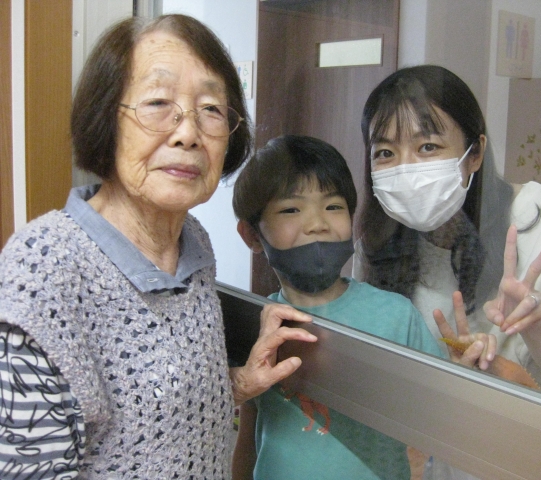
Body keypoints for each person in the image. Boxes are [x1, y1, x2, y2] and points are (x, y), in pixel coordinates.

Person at [0, 15, 317, 478]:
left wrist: (241, 383)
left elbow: (156, 419)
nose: (188, 133)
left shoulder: (193, 241)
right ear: (105, 121)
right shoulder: (43, 268)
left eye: (211, 109)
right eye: (157, 102)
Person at [355, 65, 541, 408]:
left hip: (532, 431)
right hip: (431, 428)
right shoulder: (377, 242)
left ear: (475, 154)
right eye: (385, 153)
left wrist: (532, 324)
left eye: (428, 146)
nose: (406, 169)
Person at [231, 134, 444, 480]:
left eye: (333, 206)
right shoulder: (257, 326)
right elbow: (250, 433)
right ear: (252, 235)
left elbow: (439, 419)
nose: (318, 223)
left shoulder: (396, 316)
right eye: (291, 209)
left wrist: (469, 372)